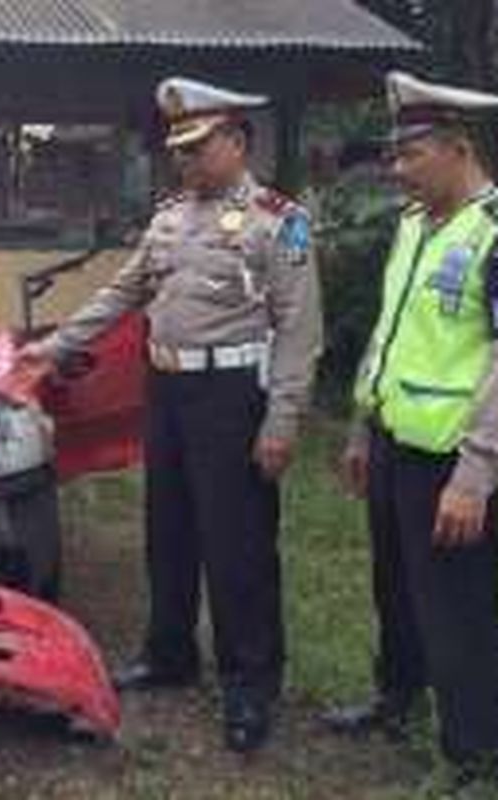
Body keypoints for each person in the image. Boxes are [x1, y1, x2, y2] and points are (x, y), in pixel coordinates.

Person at [13, 76, 323, 752]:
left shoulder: (279, 220)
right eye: (177, 149)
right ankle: (169, 652)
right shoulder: (171, 216)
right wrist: (52, 348)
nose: (183, 161)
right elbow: (123, 291)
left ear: (237, 142)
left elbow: (300, 330)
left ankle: (251, 682)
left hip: (234, 395)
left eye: (197, 147)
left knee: (237, 544)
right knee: (170, 530)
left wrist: (282, 420)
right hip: (170, 392)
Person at [323, 71, 498, 790]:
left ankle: (472, 748)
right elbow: (389, 334)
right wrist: (365, 428)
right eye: (394, 157)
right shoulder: (413, 226)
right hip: (397, 439)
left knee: (457, 605)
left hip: (453, 457)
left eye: (410, 156)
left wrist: (476, 471)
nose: (397, 171)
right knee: (393, 585)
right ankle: (396, 696)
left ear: (458, 149)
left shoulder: (491, 232)